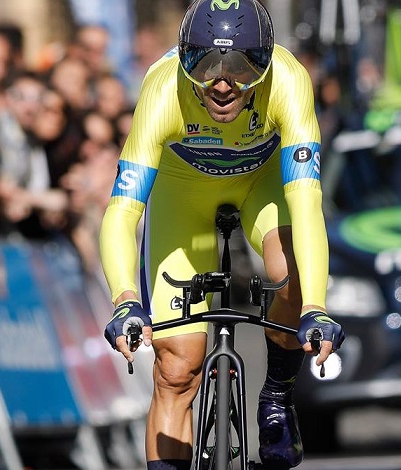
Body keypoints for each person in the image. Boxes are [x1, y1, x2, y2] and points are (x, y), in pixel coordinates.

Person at [99, 1, 344, 469]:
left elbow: (307, 206)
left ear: (266, 62)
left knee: (289, 274)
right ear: (184, 59)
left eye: (241, 66)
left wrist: (314, 308)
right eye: (205, 64)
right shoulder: (162, 89)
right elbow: (123, 209)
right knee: (176, 369)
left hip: (262, 185)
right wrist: (125, 298)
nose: (223, 82)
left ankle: (277, 394)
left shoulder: (289, 83)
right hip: (181, 196)